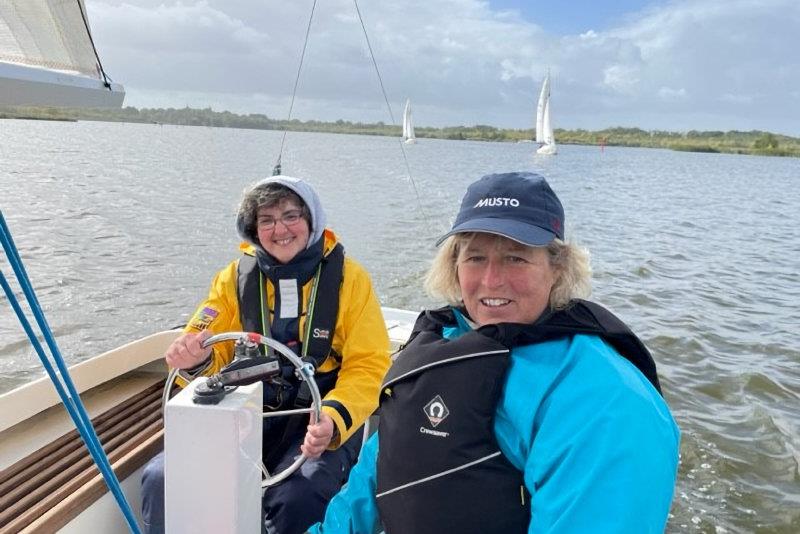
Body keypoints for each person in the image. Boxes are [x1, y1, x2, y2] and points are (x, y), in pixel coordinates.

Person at [310, 171, 680, 533]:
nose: (491, 280)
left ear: (558, 268)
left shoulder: (607, 401)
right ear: (454, 267)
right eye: (475, 258)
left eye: (515, 257)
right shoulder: (443, 345)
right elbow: (371, 480)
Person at [141, 176, 391, 534]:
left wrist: (333, 419)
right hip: (246, 405)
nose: (280, 229)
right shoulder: (232, 278)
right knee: (163, 477)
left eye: (291, 216)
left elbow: (369, 364)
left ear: (312, 220)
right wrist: (191, 355)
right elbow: (204, 337)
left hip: (320, 411)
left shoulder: (350, 280)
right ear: (253, 229)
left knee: (301, 493)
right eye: (267, 220)